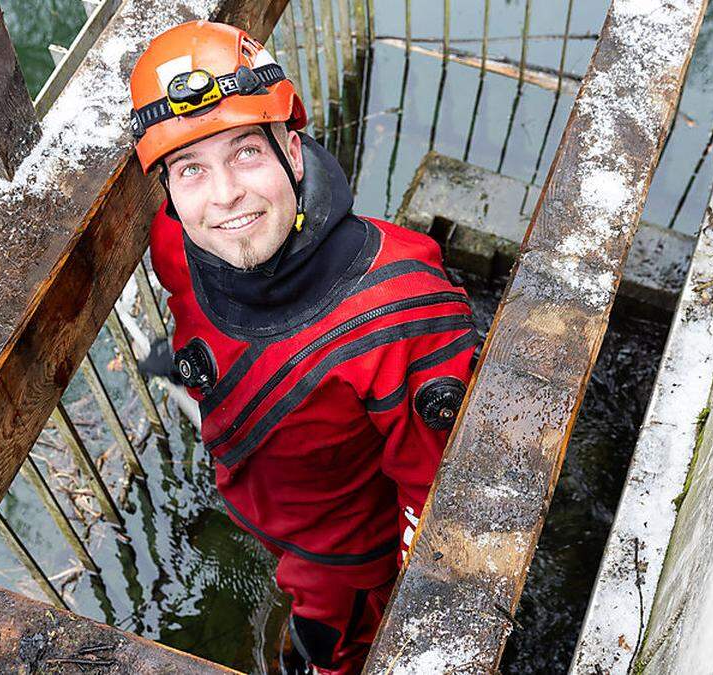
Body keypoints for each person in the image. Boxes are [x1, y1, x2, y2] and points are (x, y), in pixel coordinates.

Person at [128, 21, 477, 674]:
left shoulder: (402, 311)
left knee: (333, 651)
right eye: (191, 168)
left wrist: (399, 593)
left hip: (345, 559)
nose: (224, 194)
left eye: (246, 153)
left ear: (292, 149)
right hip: (270, 507)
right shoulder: (176, 244)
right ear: (169, 189)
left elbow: (434, 499)